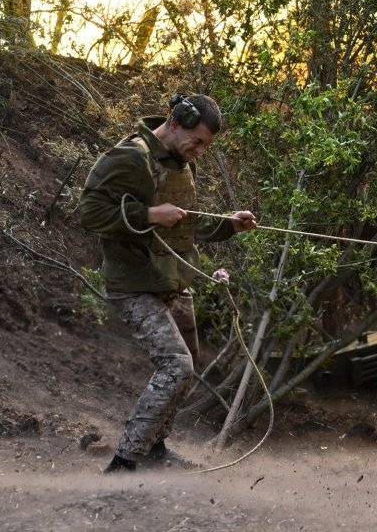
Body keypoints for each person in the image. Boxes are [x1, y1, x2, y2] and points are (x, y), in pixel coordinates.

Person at [79, 93, 257, 473]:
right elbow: (88, 212)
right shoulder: (131, 157)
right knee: (176, 365)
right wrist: (149, 214)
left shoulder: (178, 162)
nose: (201, 150)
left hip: (173, 282)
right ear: (175, 122)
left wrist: (229, 224)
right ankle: (123, 463)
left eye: (207, 144)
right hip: (135, 283)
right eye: (198, 140)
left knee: (185, 371)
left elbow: (186, 222)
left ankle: (157, 451)